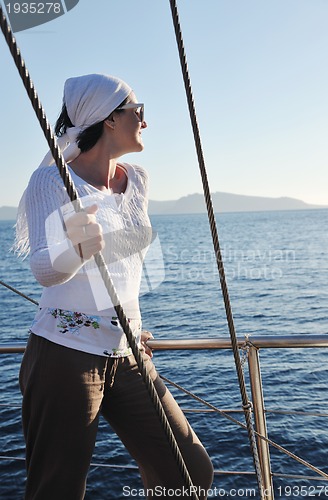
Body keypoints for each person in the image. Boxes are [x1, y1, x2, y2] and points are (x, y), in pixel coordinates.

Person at [16, 73, 214, 499]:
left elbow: (127, 266)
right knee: (58, 491)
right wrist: (74, 249)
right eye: (138, 112)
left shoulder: (137, 180)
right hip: (64, 357)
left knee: (189, 473)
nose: (145, 121)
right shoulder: (53, 182)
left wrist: (132, 326)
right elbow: (42, 269)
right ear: (109, 119)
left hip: (126, 353)